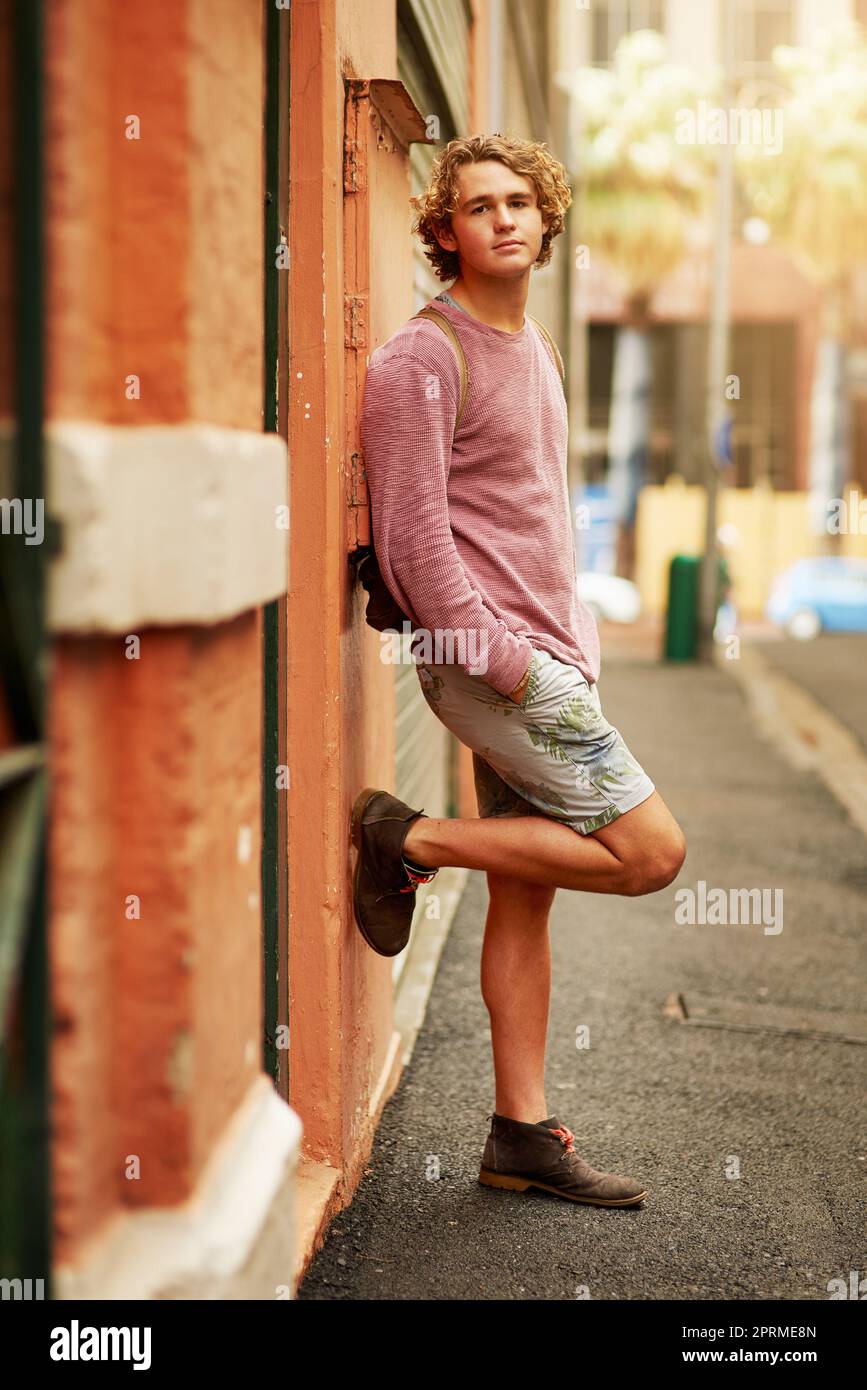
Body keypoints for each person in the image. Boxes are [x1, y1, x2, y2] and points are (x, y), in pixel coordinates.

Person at [351, 133, 686, 1207]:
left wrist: (565, 651)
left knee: (528, 892)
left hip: (547, 658)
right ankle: (402, 837)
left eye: (517, 202)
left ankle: (520, 1132)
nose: (500, 219)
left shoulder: (530, 344)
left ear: (546, 219)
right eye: (475, 206)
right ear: (442, 231)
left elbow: (526, 523)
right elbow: (413, 543)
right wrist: (507, 665)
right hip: (497, 665)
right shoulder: (420, 359)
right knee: (649, 852)